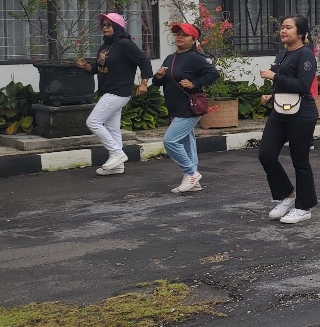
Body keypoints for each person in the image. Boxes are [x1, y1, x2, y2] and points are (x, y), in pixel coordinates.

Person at [259, 14, 319, 225]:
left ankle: (304, 207)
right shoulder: (283, 54)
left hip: (302, 113)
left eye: (288, 28)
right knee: (266, 154)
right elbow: (285, 84)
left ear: (301, 33)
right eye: (282, 27)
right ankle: (287, 196)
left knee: (300, 161)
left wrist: (274, 76)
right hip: (280, 109)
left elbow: (303, 86)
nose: (283, 31)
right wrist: (272, 95)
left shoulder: (306, 55)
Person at [79, 11, 152, 177]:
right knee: (113, 129)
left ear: (118, 27)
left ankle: (117, 153)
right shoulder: (106, 46)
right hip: (107, 90)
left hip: (118, 91)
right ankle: (118, 166)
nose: (105, 28)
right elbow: (98, 68)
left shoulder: (125, 44)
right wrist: (86, 67)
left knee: (93, 122)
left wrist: (143, 83)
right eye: (103, 25)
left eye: (109, 25)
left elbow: (144, 60)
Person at [153, 22, 219, 195]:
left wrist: (194, 83)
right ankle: (193, 181)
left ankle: (191, 173)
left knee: (170, 140)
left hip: (189, 107)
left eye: (184, 35)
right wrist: (158, 76)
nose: (179, 37)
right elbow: (159, 81)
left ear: (193, 39)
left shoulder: (195, 57)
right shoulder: (171, 58)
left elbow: (213, 73)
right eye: (177, 34)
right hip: (175, 107)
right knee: (187, 142)